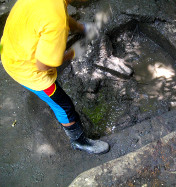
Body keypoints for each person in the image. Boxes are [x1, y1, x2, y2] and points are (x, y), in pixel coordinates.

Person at [0, 0, 108, 154]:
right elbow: (43, 66)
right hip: (26, 70)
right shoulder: (57, 22)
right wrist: (73, 53)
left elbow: (59, 15)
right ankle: (79, 141)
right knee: (64, 106)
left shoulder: (53, 5)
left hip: (10, 50)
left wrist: (81, 28)